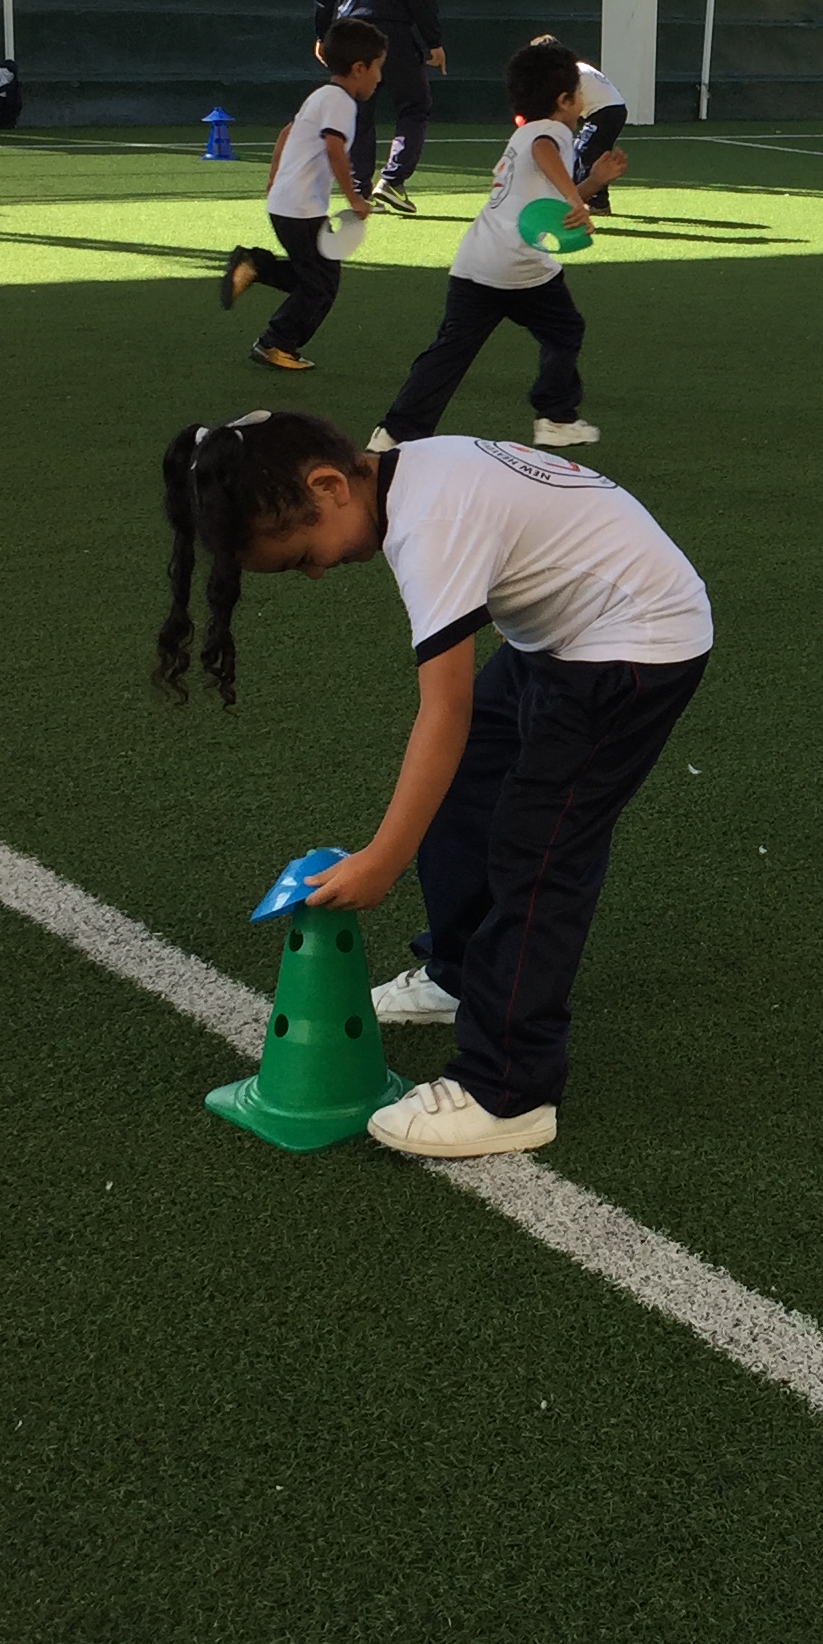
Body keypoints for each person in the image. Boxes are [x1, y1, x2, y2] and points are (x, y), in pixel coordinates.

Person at [151, 407, 712, 1159]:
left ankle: (510, 1092)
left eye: (302, 555)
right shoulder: (406, 477)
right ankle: (459, 973)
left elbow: (443, 711)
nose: (314, 572)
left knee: (539, 850)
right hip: (565, 634)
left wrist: (382, 860)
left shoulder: (430, 522)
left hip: (636, 644)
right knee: (467, 790)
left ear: (329, 486)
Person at [374, 39, 615, 451]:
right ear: (563, 101)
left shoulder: (523, 134)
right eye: (578, 94)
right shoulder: (552, 133)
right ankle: (555, 418)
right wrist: (576, 199)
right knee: (565, 330)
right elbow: (545, 155)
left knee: (449, 352)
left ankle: (395, 433)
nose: (582, 101)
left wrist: (592, 183)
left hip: (477, 261)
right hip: (521, 267)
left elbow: (544, 204)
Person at [226, 19, 384, 373]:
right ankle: (276, 342)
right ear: (359, 68)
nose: (379, 77)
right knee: (321, 286)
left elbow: (287, 132)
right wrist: (355, 198)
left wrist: (274, 177)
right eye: (378, 67)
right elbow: (334, 148)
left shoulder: (320, 95)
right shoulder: (341, 102)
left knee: (315, 277)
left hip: (287, 205)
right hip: (301, 210)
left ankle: (256, 266)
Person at [314, 0, 444, 215]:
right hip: (392, 32)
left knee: (359, 109)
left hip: (349, 30)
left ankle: (360, 188)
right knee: (414, 105)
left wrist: (323, 35)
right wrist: (433, 41)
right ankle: (393, 180)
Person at [570, 54, 628, 215]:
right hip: (610, 110)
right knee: (587, 151)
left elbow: (569, 103)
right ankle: (596, 200)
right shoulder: (579, 67)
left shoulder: (571, 72)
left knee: (586, 151)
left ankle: (595, 202)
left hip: (606, 112)